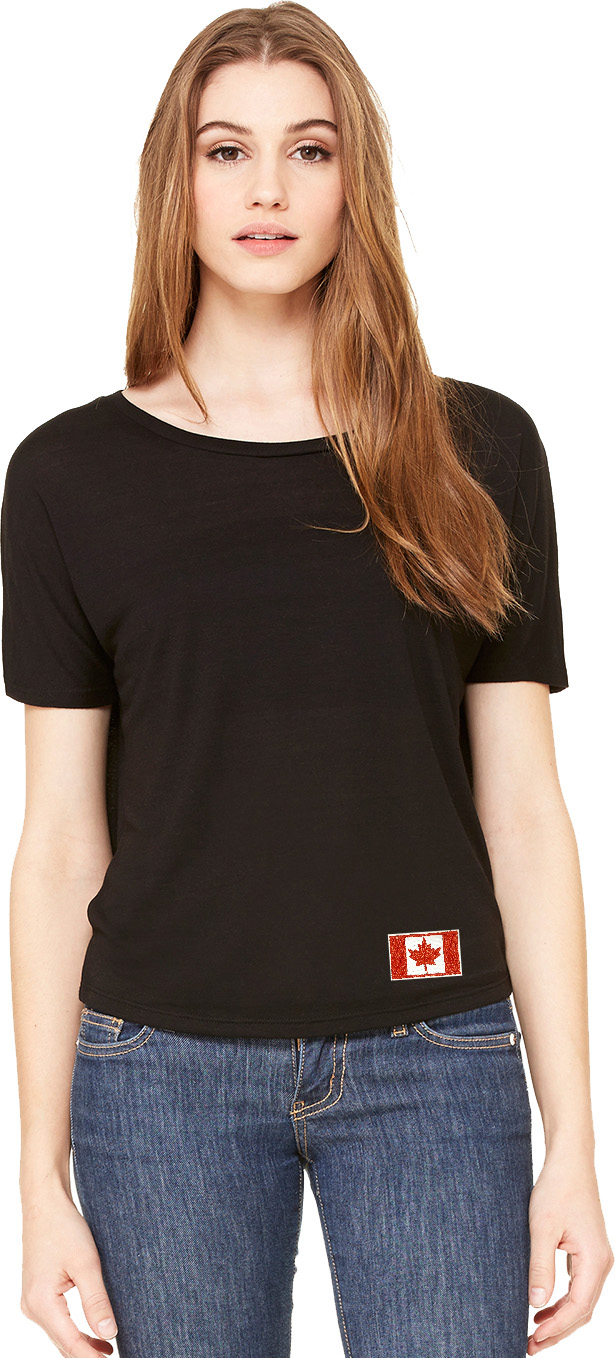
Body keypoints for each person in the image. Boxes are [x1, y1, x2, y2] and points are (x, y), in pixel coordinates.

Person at [1, 4, 612, 1356]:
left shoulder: (478, 449)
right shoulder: (67, 477)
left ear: (355, 182)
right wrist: (37, 1180)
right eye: (227, 150)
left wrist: (574, 1139)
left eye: (309, 150)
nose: (267, 190)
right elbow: (57, 845)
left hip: (436, 1053)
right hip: (157, 1072)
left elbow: (524, 810)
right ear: (176, 181)